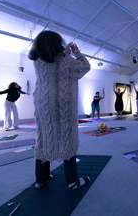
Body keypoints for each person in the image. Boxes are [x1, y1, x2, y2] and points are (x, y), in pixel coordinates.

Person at [29, 30, 91, 189]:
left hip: (43, 103)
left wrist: (64, 54)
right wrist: (76, 53)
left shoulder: (37, 60)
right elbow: (85, 67)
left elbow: (52, 63)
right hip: (64, 104)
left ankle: (40, 180)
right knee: (66, 137)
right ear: (58, 43)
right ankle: (72, 181)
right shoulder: (68, 61)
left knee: (44, 137)